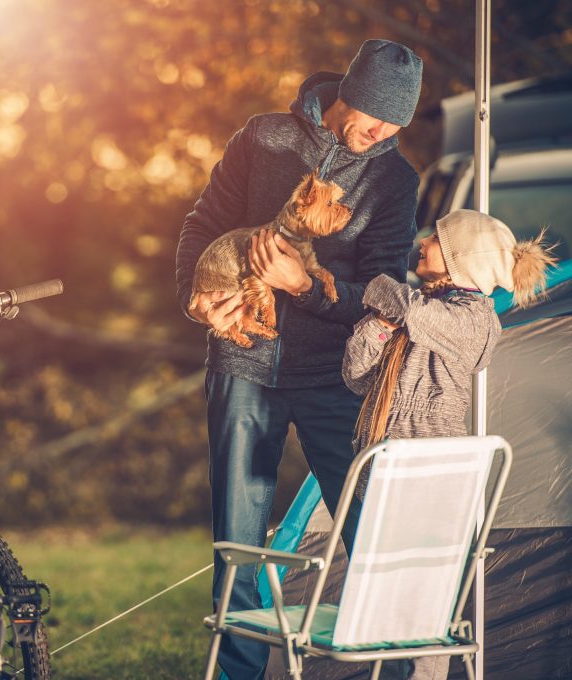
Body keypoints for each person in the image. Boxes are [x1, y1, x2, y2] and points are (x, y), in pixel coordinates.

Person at [175, 39, 423, 679]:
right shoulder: (262, 140)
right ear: (351, 96)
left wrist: (302, 287)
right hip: (243, 369)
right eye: (375, 118)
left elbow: (385, 297)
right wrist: (197, 298)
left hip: (336, 380)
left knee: (369, 529)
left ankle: (388, 670)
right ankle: (238, 673)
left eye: (397, 125)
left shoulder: (394, 179)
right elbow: (203, 226)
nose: (383, 133)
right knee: (238, 547)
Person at [342, 209, 555, 680]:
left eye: (436, 239)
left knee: (424, 598)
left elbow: (414, 312)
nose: (422, 242)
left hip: (428, 469)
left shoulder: (473, 320)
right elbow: (355, 374)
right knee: (390, 600)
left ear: (462, 258)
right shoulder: (418, 310)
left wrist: (379, 288)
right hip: (383, 468)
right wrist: (378, 327)